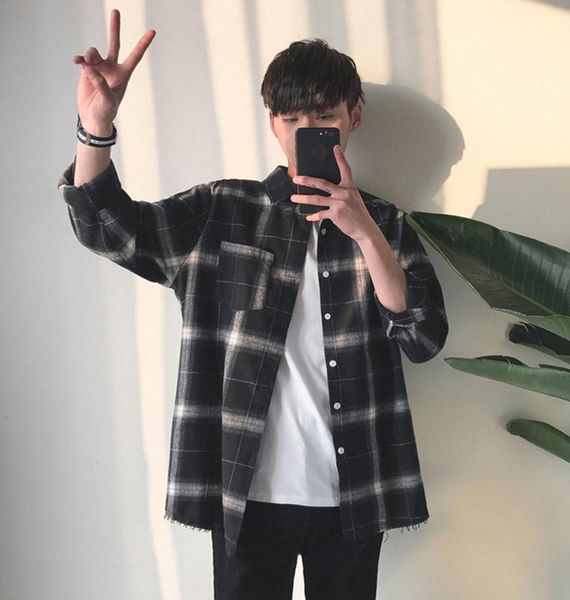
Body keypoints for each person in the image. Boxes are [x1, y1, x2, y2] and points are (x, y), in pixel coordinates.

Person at [59, 9, 448, 600]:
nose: (306, 131)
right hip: (245, 491)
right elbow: (105, 228)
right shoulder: (223, 211)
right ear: (271, 122)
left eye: (325, 117)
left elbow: (422, 337)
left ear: (354, 116)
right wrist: (96, 129)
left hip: (353, 491)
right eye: (291, 119)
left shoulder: (386, 224)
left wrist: (364, 233)